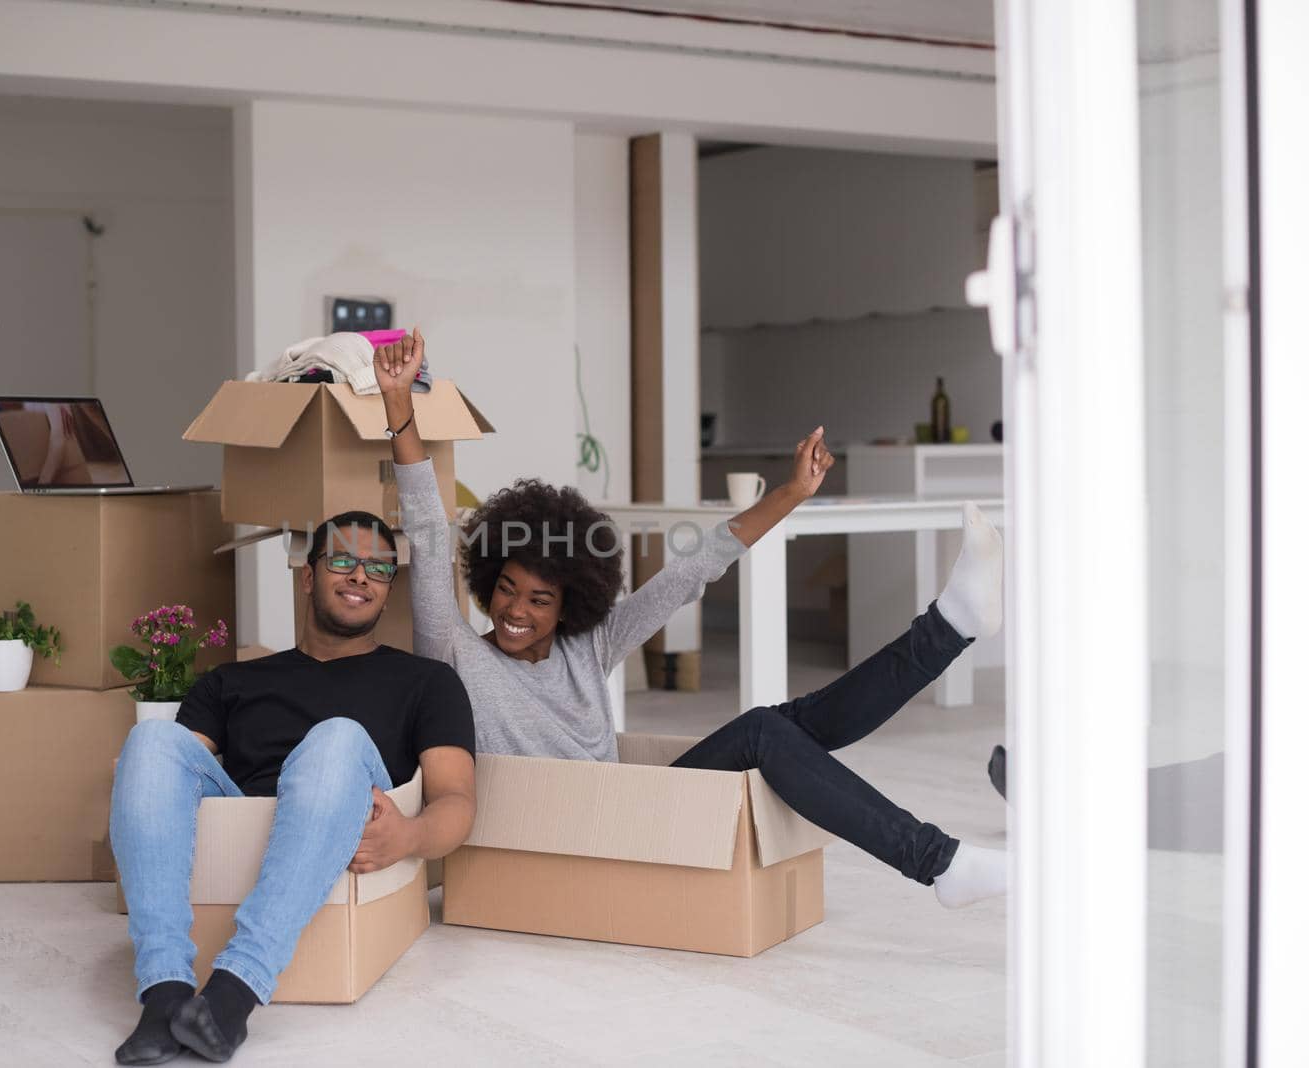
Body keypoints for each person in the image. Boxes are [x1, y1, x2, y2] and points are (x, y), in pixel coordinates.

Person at [377, 330, 1006, 911]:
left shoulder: (586, 648)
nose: (516, 611)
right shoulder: (454, 660)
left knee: (796, 725)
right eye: (508, 590)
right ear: (488, 583)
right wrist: (399, 408)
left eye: (540, 600)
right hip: (592, 840)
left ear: (570, 604)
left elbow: (690, 574)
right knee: (763, 731)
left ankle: (950, 626)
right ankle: (936, 861)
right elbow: (431, 538)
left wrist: (791, 493)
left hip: (635, 815)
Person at [108, 510, 477, 1065]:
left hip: (347, 817)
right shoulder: (231, 680)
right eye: (344, 561)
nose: (360, 577)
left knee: (337, 738)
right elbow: (163, 785)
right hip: (247, 816)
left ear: (387, 589)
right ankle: (165, 992)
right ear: (308, 576)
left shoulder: (427, 681)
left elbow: (457, 800)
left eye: (378, 568)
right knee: (151, 742)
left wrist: (409, 837)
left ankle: (234, 991)